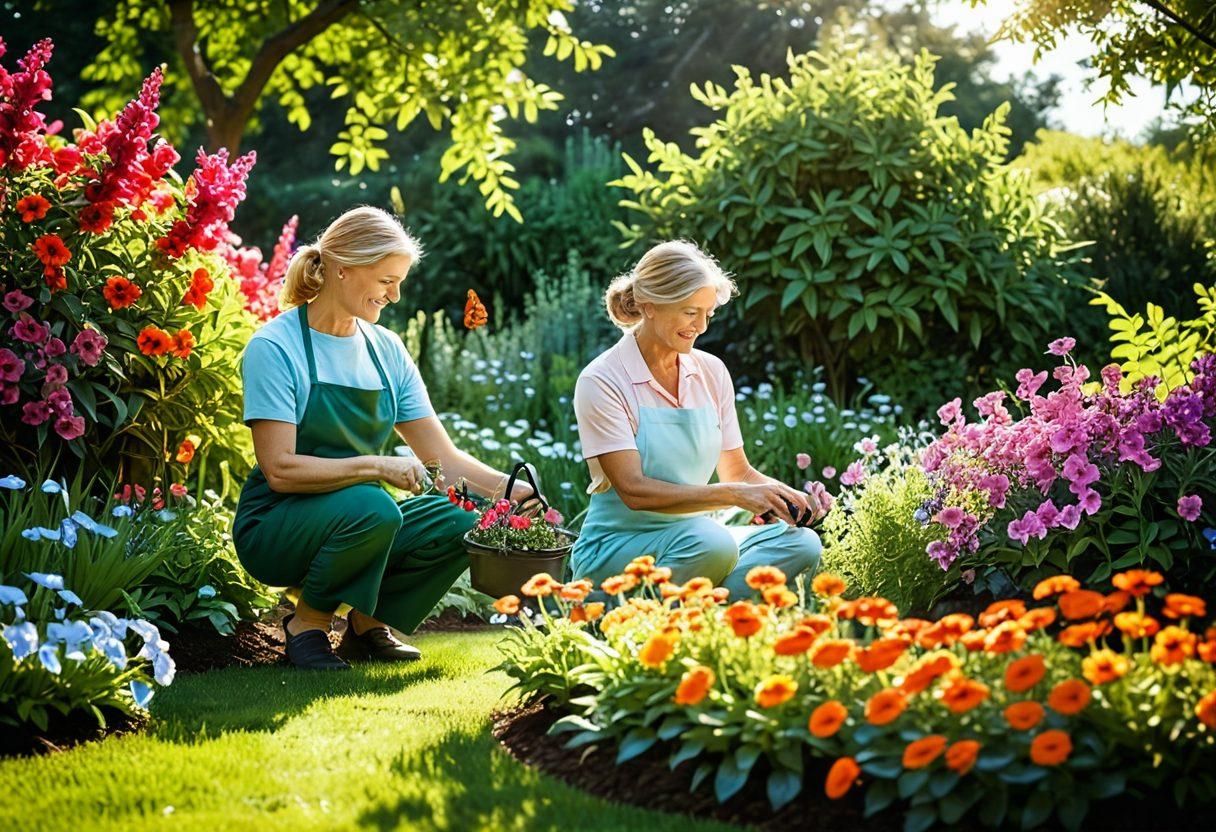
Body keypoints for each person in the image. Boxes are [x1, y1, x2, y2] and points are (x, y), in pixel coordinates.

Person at [233, 206, 532, 670]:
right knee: (373, 507)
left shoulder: (386, 349)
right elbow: (280, 470)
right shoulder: (276, 347)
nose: (394, 296)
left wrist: (509, 493)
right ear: (341, 268)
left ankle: (367, 626)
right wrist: (376, 466)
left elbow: (442, 458)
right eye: (385, 281)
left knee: (458, 515)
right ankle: (305, 626)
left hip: (359, 519)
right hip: (276, 524)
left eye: (399, 282)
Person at [571, 240, 822, 599]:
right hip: (618, 550)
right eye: (691, 312)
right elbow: (634, 491)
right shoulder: (602, 380)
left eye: (708, 313)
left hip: (697, 543)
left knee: (800, 545)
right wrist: (734, 496)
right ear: (650, 305)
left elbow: (738, 474)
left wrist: (788, 497)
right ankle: (633, 623)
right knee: (714, 543)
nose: (701, 326)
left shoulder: (711, 371)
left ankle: (709, 625)